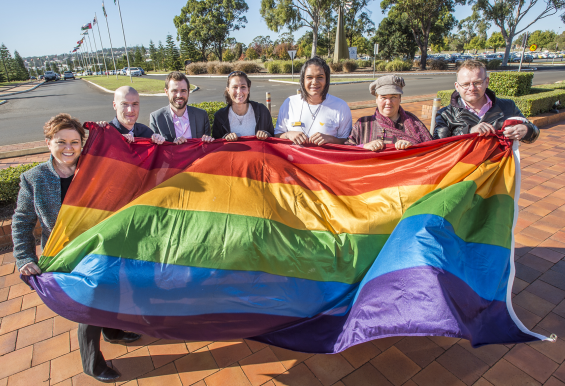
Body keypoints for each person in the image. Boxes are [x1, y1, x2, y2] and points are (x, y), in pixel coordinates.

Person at [12, 113, 140, 383]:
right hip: (65, 254)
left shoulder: (93, 168)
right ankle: (92, 364)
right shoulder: (33, 179)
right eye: (61, 142)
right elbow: (22, 222)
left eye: (74, 142)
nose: (68, 148)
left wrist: (108, 131)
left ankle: (113, 331)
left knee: (112, 289)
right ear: (48, 143)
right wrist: (24, 257)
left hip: (100, 246)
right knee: (88, 303)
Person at [433, 60, 539, 143]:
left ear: (486, 82)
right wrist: (469, 132)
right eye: (465, 84)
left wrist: (527, 130)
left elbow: (533, 132)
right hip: (463, 168)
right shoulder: (445, 114)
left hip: (498, 168)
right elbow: (439, 147)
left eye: (477, 82)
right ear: (457, 86)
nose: (471, 88)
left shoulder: (508, 106)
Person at [275, 56, 352, 145]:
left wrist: (330, 139)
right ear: (302, 80)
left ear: (327, 79)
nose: (314, 82)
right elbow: (277, 135)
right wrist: (288, 134)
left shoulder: (341, 106)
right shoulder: (289, 103)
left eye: (320, 77)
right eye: (309, 77)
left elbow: (346, 142)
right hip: (293, 158)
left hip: (324, 159)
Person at [345, 75, 432, 151]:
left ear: (400, 99)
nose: (388, 102)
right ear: (376, 99)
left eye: (393, 97)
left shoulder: (414, 125)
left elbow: (430, 151)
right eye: (383, 97)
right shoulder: (363, 124)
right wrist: (363, 146)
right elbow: (346, 149)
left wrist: (412, 146)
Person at [149, 71, 214, 144]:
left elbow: (207, 147)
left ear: (188, 92)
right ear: (166, 92)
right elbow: (154, 149)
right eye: (174, 91)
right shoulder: (156, 118)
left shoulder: (202, 115)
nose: (179, 95)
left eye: (183, 91)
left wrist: (208, 140)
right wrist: (172, 145)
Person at [211, 71, 274, 140]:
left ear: (248, 89)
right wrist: (225, 138)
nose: (239, 91)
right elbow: (216, 144)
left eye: (243, 87)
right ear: (228, 90)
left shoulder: (262, 111)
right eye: (235, 87)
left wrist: (266, 135)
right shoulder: (220, 116)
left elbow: (273, 138)